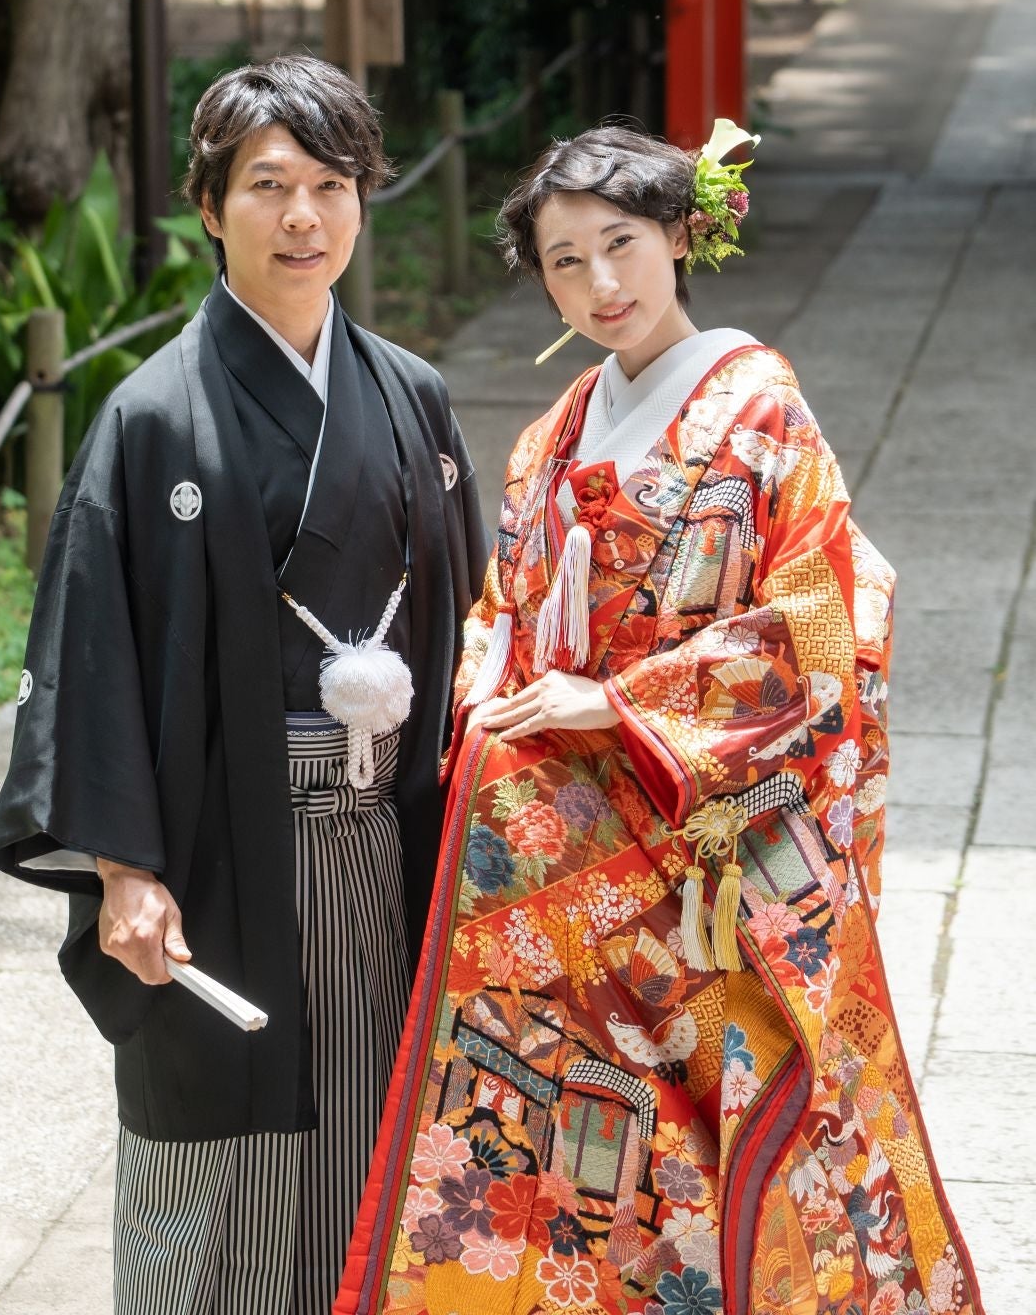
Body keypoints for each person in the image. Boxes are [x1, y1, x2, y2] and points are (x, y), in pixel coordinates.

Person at [336, 120, 985, 1315]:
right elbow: (501, 607)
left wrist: (623, 701)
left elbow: (822, 619)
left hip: (704, 850)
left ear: (685, 235)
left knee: (726, 1124)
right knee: (563, 1133)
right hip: (567, 859)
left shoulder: (759, 411)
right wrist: (486, 681)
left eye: (621, 245)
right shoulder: (550, 435)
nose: (599, 283)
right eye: (564, 260)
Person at [0, 55, 488, 1315]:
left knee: (384, 1134)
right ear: (209, 205)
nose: (303, 216)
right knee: (213, 1149)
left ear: (364, 198)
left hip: (387, 835)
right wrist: (120, 866)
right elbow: (88, 654)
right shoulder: (155, 417)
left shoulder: (409, 395)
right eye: (268, 184)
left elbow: (477, 628)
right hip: (221, 846)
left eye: (330, 183)